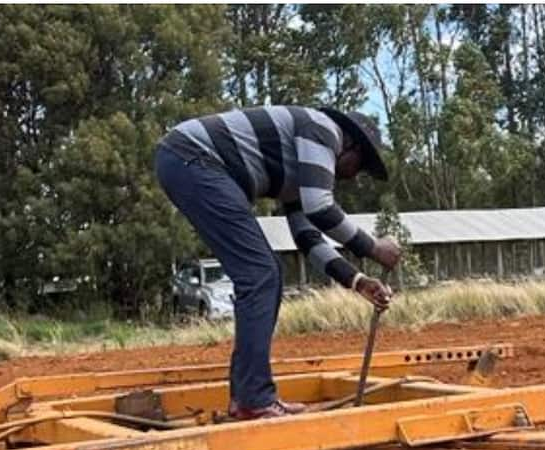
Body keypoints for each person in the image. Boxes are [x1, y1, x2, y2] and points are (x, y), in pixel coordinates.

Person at [154, 106, 401, 420]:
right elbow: (322, 209)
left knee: (264, 272)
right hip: (193, 158)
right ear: (350, 146)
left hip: (187, 161)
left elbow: (307, 237)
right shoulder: (322, 129)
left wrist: (357, 281)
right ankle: (253, 399)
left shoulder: (300, 168)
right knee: (260, 274)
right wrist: (374, 247)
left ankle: (247, 398)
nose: (353, 177)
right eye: (360, 166)